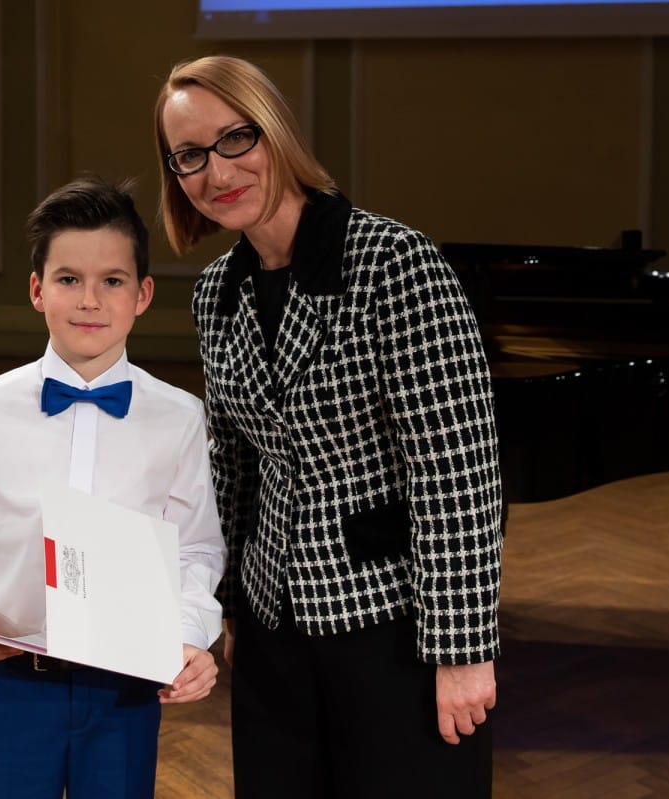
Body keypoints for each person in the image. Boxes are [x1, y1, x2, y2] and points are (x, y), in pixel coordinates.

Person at [154, 55, 503, 798]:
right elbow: (232, 466)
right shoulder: (217, 291)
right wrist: (221, 608)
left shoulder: (395, 264)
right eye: (190, 155)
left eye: (235, 138)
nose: (218, 172)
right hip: (272, 628)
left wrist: (465, 649)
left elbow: (458, 471)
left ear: (276, 131)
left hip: (394, 626)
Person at [0, 176, 227, 799]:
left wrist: (188, 635)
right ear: (37, 290)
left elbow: (195, 550)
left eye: (113, 281)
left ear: (143, 294)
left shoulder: (180, 417)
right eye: (69, 279)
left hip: (124, 690)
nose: (90, 301)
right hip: (7, 685)